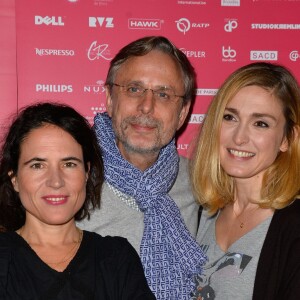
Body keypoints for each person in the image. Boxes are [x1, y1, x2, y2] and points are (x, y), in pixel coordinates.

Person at [79, 36, 207, 299]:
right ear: (110, 99)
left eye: (163, 94)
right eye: (134, 89)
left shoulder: (203, 183)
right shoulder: (70, 177)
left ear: (183, 112)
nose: (146, 106)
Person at [0, 102, 155, 299]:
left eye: (69, 164)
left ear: (86, 173)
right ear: (14, 179)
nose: (56, 181)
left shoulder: (116, 258)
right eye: (38, 165)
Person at [190, 62, 300, 299]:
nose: (239, 137)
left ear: (287, 139)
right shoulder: (204, 213)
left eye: (260, 123)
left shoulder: (293, 228)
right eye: (230, 117)